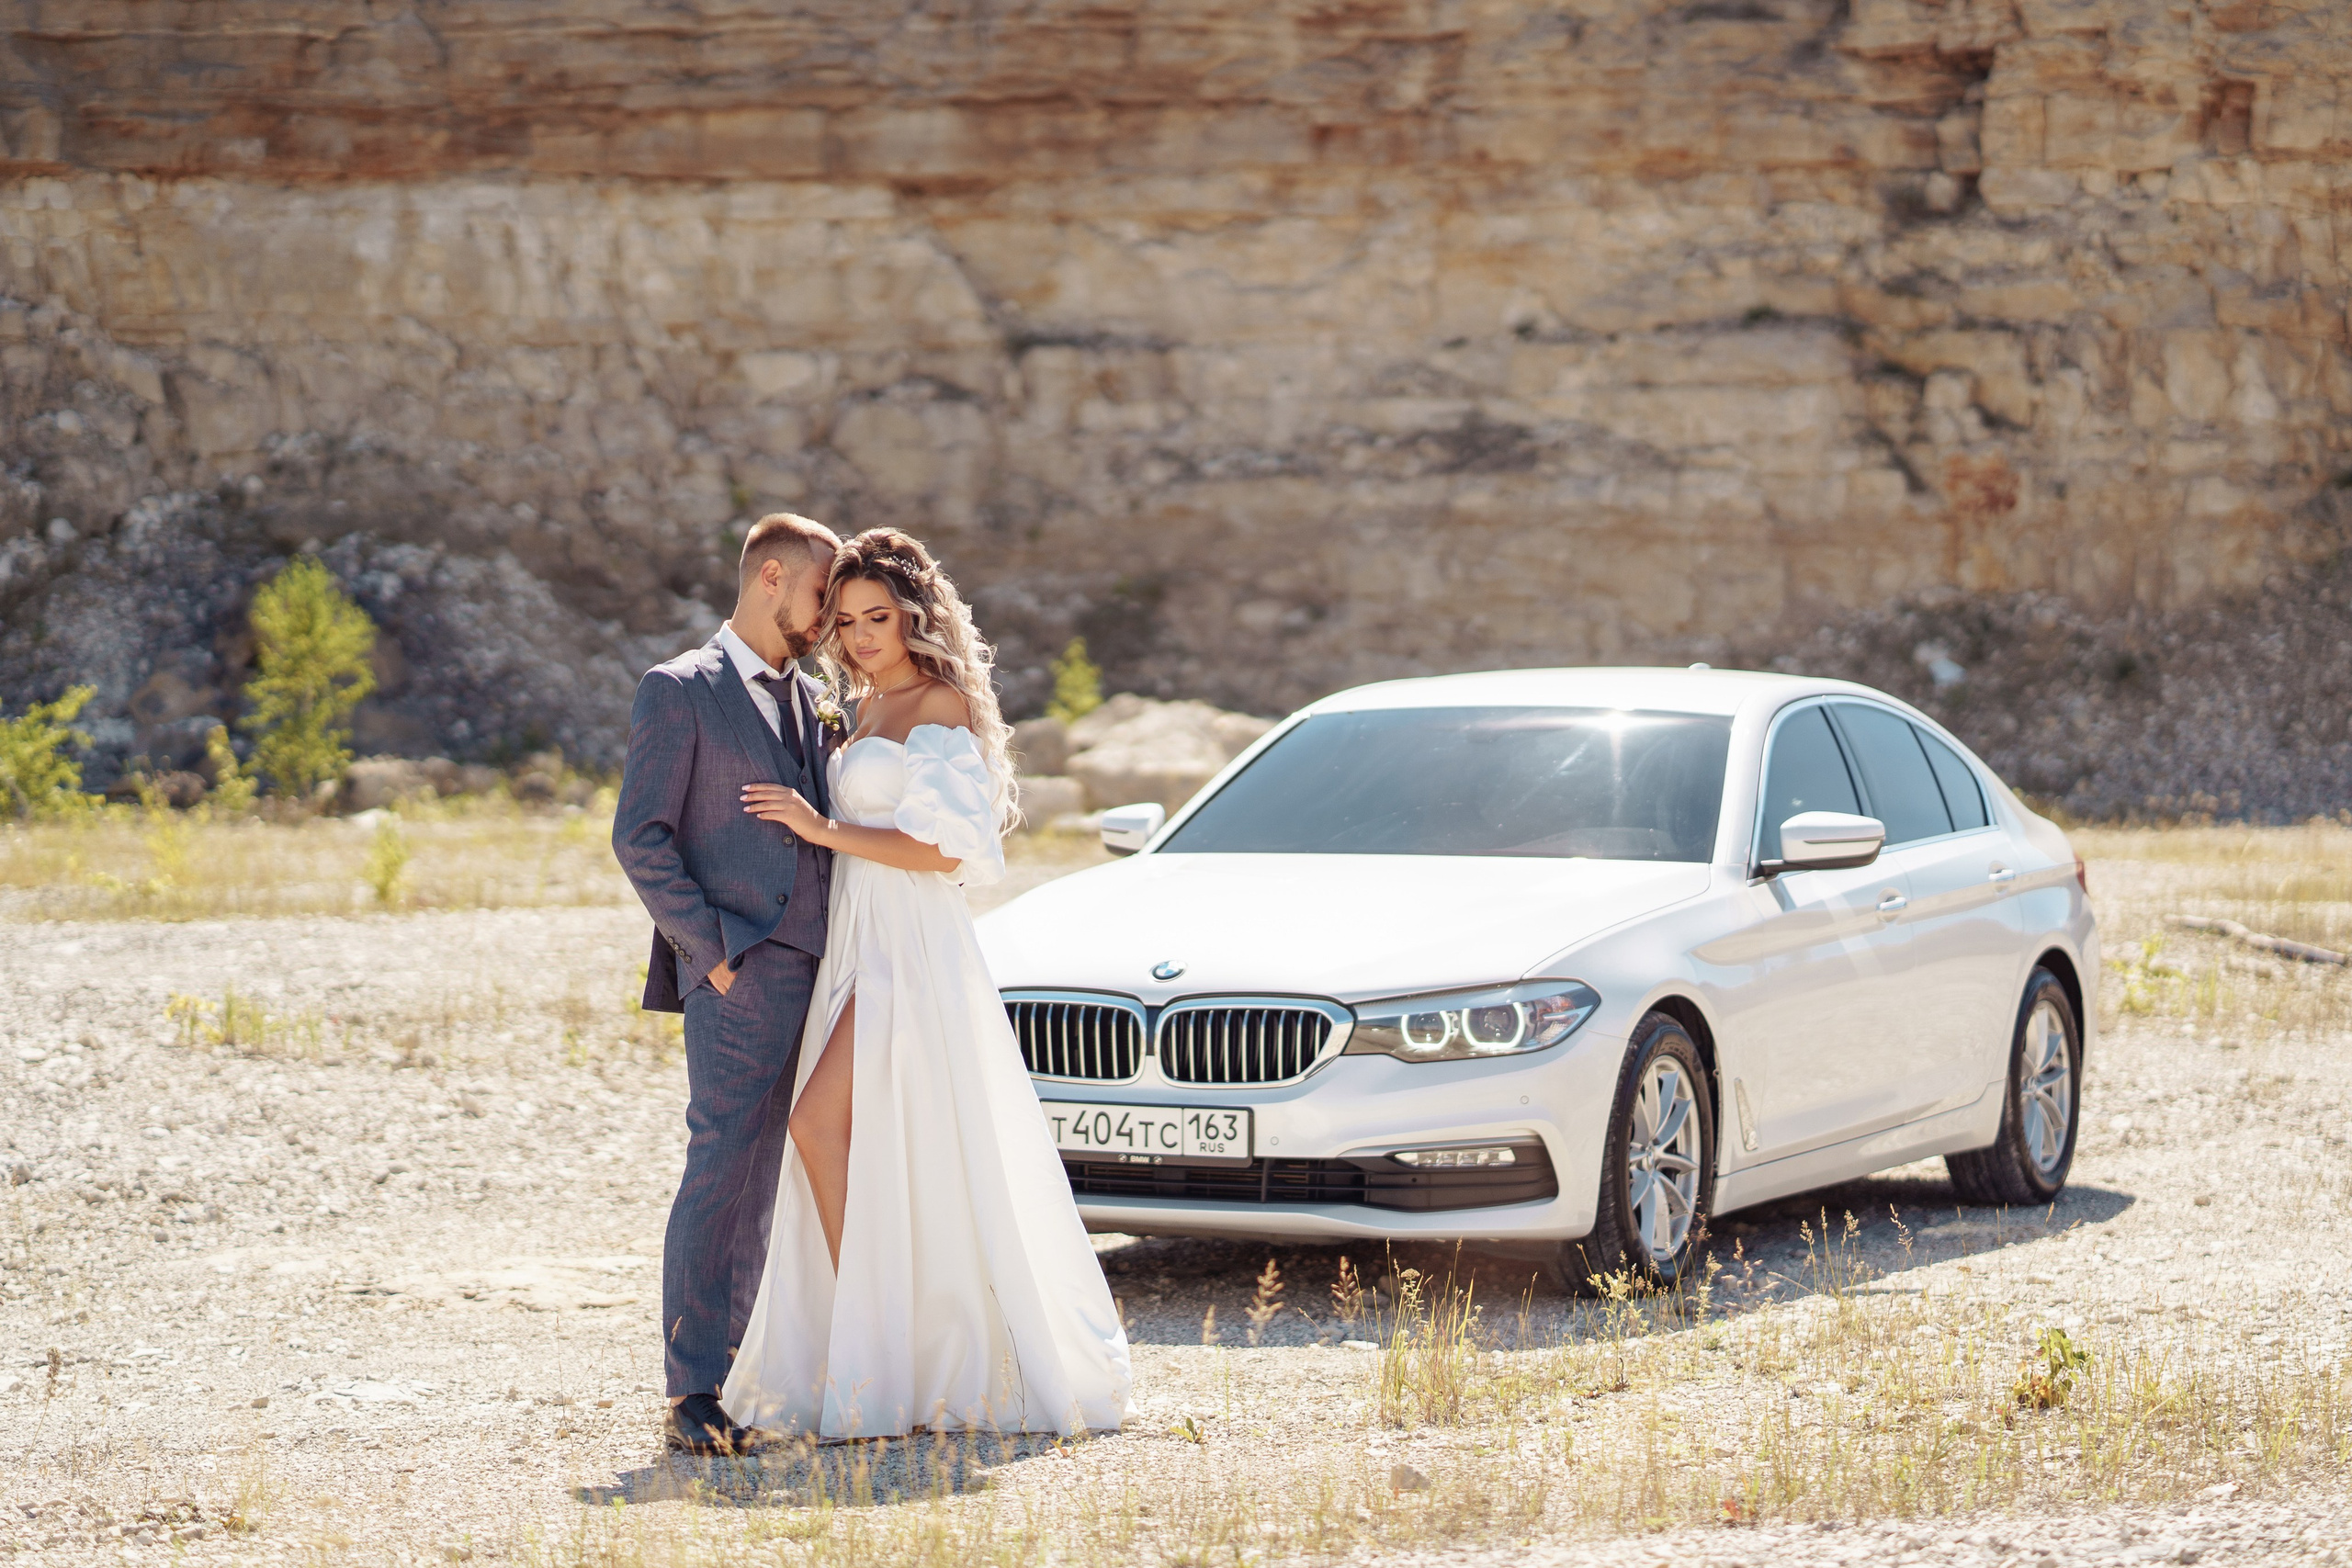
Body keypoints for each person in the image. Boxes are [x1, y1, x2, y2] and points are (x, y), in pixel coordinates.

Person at [720, 528, 1134, 1440]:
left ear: (915, 616)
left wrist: (816, 828)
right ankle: (886, 1342)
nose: (864, 635)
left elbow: (948, 850)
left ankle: (888, 1344)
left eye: (880, 617)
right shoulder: (861, 706)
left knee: (817, 1125)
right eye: (849, 619)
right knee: (882, 1145)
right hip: (857, 940)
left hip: (910, 946)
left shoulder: (935, 702)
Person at [611, 512, 844, 1456]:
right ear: (773, 579)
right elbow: (641, 836)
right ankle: (695, 1387)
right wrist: (709, 952)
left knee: (790, 1176)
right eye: (824, 596)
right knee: (725, 1169)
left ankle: (766, 1370)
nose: (829, 618)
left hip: (827, 970)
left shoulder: (812, 699)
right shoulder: (678, 692)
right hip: (739, 972)